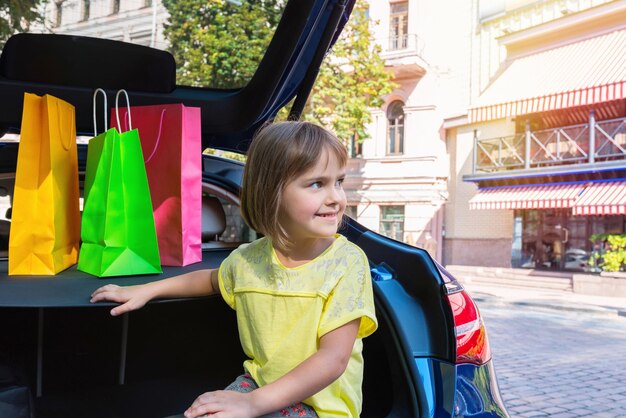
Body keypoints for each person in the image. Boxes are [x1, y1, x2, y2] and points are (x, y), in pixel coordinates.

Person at [90, 121, 378, 418]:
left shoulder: (346, 262)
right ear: (272, 192)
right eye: (317, 184)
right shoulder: (248, 260)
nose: (336, 197)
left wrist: (251, 404)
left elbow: (333, 359)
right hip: (257, 386)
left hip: (321, 407)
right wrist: (148, 289)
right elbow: (211, 281)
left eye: (339, 182)